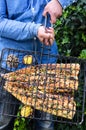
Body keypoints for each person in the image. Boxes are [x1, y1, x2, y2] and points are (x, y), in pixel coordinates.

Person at [0, 0, 77, 130]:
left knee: (45, 125)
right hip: (11, 64)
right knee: (4, 122)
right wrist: (34, 30)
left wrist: (59, 2)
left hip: (45, 62)